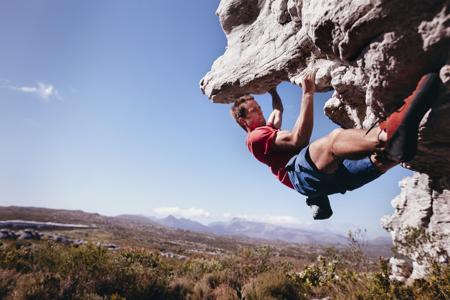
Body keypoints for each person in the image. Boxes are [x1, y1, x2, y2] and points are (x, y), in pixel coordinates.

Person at [230, 70, 440, 219]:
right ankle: (387, 133)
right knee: (333, 141)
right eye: (255, 110)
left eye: (258, 107)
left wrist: (273, 91)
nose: (261, 111)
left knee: (384, 159)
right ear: (243, 121)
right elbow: (297, 139)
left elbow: (277, 112)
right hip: (301, 175)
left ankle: (398, 148)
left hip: (327, 181)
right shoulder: (255, 138)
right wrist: (307, 93)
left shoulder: (265, 130)